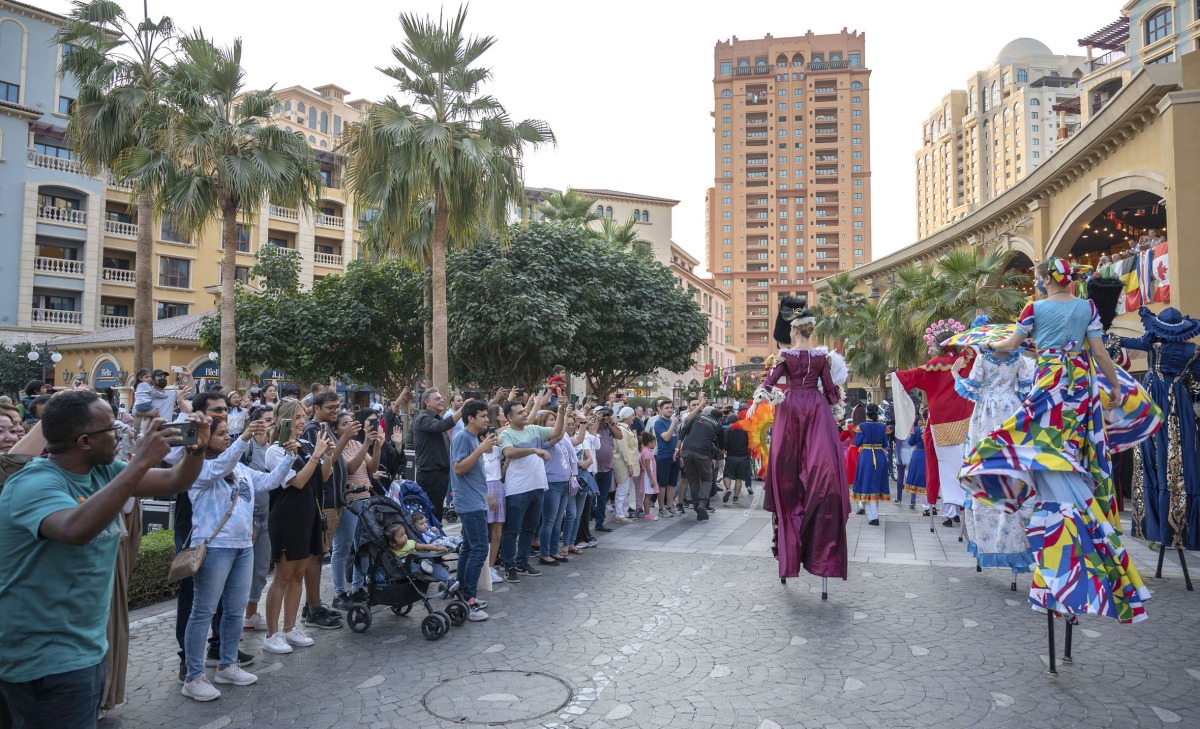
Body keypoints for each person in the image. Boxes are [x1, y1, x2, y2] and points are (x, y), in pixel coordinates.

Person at [962, 258, 1160, 625]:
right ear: (1069, 281)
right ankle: (1076, 505)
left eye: (1037, 280)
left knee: (1037, 446)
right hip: (1080, 387)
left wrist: (987, 341)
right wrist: (1115, 386)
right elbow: (1100, 353)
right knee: (1076, 450)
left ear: (1043, 281)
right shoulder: (1086, 307)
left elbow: (1012, 343)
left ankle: (1031, 498)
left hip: (1050, 383)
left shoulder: (1034, 308)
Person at [0, 392, 211, 727]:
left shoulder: (105, 470)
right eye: (111, 429)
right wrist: (141, 460)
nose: (119, 434)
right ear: (84, 441)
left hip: (86, 649)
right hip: (43, 658)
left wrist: (195, 451)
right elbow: (75, 529)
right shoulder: (33, 483)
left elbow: (175, 480)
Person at [181, 419, 296, 701]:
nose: (226, 438)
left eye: (227, 434)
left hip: (244, 546)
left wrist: (290, 456)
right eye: (220, 435)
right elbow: (220, 467)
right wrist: (243, 439)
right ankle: (193, 676)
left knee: (234, 611)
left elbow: (269, 482)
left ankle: (227, 664)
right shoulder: (197, 467)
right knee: (203, 611)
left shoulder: (241, 468)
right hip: (214, 547)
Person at [753, 297, 850, 580]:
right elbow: (831, 392)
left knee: (787, 468)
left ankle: (790, 545)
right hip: (817, 409)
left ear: (794, 330)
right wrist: (838, 409)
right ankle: (821, 548)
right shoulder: (823, 358)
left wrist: (764, 399)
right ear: (810, 330)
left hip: (792, 407)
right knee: (822, 469)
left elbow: (767, 385)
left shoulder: (784, 358)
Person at [952, 323, 1037, 573]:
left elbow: (971, 390)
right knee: (1012, 467)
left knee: (984, 466)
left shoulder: (982, 359)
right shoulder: (1018, 358)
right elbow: (1025, 390)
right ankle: (1016, 535)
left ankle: (988, 535)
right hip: (1011, 411)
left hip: (986, 415)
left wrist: (956, 374)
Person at [1119, 305, 1200, 550]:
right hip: (1181, 405)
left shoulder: (1153, 346)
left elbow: (1126, 340)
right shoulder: (1193, 350)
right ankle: (1180, 525)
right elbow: (1196, 386)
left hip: (1154, 400)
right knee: (1181, 458)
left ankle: (1155, 525)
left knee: (1152, 455)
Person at [261, 400, 334, 656]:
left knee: (299, 574)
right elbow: (298, 482)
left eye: (304, 416)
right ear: (284, 420)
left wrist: (327, 455)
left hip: (308, 515)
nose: (303, 421)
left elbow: (322, 477)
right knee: (282, 575)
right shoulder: (276, 450)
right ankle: (272, 633)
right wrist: (316, 456)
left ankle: (291, 627)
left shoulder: (305, 445)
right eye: (298, 417)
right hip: (287, 517)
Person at [892, 320, 974, 523]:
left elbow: (909, 377)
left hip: (940, 424)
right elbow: (977, 349)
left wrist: (895, 375)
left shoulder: (932, 368)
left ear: (936, 346)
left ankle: (949, 512)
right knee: (964, 465)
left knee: (943, 467)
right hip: (967, 421)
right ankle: (963, 508)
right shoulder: (967, 360)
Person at [499, 396, 565, 581]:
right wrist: (534, 450)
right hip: (518, 489)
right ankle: (509, 565)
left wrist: (561, 410)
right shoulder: (506, 434)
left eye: (524, 411)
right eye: (519, 412)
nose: (524, 414)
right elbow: (508, 452)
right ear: (509, 418)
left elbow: (557, 431)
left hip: (538, 486)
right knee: (512, 530)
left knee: (530, 528)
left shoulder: (534, 429)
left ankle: (522, 562)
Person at [330, 410, 384, 609]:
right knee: (342, 548)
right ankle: (339, 593)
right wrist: (368, 444)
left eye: (351, 423)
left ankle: (358, 587)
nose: (350, 426)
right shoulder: (337, 446)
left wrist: (377, 446)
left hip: (364, 501)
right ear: (335, 429)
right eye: (345, 424)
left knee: (363, 546)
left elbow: (371, 467)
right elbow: (351, 468)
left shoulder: (355, 444)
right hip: (348, 502)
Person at [450, 399, 496, 619]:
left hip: (476, 500)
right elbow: (458, 468)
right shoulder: (462, 438)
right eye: (483, 416)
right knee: (479, 549)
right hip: (469, 503)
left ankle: (460, 593)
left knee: (469, 548)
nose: (487, 420)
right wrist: (480, 450)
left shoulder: (471, 438)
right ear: (471, 418)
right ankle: (468, 600)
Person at [241, 406, 276, 632]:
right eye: (265, 420)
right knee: (243, 571)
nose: (269, 424)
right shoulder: (246, 449)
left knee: (261, 570)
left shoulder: (275, 448)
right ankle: (237, 616)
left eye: (272, 420)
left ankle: (251, 614)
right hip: (250, 518)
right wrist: (249, 520)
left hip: (269, 516)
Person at [413, 388, 463, 522]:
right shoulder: (423, 419)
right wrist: (462, 411)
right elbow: (441, 426)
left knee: (437, 513)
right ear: (427, 403)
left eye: (441, 398)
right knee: (431, 515)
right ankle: (432, 541)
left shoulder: (436, 419)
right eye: (437, 398)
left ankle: (437, 540)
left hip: (441, 474)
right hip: (430, 474)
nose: (442, 400)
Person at [679, 402, 725, 520]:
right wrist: (720, 452)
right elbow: (722, 447)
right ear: (719, 418)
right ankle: (702, 503)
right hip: (703, 453)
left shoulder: (698, 417)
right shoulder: (718, 426)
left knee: (693, 480)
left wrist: (677, 448)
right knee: (706, 479)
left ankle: (696, 506)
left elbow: (683, 430)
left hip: (687, 451)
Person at [850, 404, 891, 526]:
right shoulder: (883, 427)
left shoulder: (861, 427)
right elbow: (885, 444)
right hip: (880, 456)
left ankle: (873, 517)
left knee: (867, 484)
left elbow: (857, 443)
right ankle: (874, 514)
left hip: (867, 456)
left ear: (867, 414)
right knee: (877, 483)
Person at [592, 406, 622, 533]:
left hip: (607, 468)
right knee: (591, 497)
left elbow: (619, 436)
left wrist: (611, 422)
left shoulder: (609, 427)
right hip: (594, 469)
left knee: (603, 497)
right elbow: (592, 433)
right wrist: (597, 420)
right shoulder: (593, 426)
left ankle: (599, 523)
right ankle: (587, 521)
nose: (604, 417)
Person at [652, 401, 683, 517]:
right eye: (667, 408)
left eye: (671, 408)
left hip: (674, 456)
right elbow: (666, 437)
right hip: (663, 457)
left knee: (672, 484)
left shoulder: (672, 422)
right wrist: (673, 423)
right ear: (660, 409)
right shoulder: (659, 422)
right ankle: (661, 509)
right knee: (663, 484)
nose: (670, 410)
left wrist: (677, 452)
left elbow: (676, 439)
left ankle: (669, 506)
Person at [611, 407, 642, 522]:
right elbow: (624, 449)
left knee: (626, 489)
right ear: (628, 417)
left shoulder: (626, 429)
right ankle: (619, 514)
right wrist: (629, 464)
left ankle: (623, 512)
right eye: (632, 415)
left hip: (628, 462)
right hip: (623, 463)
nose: (633, 417)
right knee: (622, 489)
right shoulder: (622, 430)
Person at [722, 410, 753, 504]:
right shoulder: (745, 430)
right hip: (743, 457)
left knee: (727, 475)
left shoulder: (727, 431)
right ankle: (735, 497)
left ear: (728, 421)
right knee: (739, 478)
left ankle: (728, 489)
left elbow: (724, 445)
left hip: (731, 457)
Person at [903, 414, 928, 510]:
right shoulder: (934, 428)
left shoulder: (916, 429)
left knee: (917, 479)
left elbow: (910, 442)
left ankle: (920, 504)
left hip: (919, 454)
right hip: (930, 455)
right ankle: (932, 506)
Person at [639, 431, 659, 520]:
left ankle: (647, 513)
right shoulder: (646, 452)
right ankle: (647, 514)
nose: (655, 445)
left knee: (648, 495)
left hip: (649, 476)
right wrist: (651, 479)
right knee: (648, 495)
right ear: (650, 443)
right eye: (654, 443)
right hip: (647, 477)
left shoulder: (646, 451)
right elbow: (647, 466)